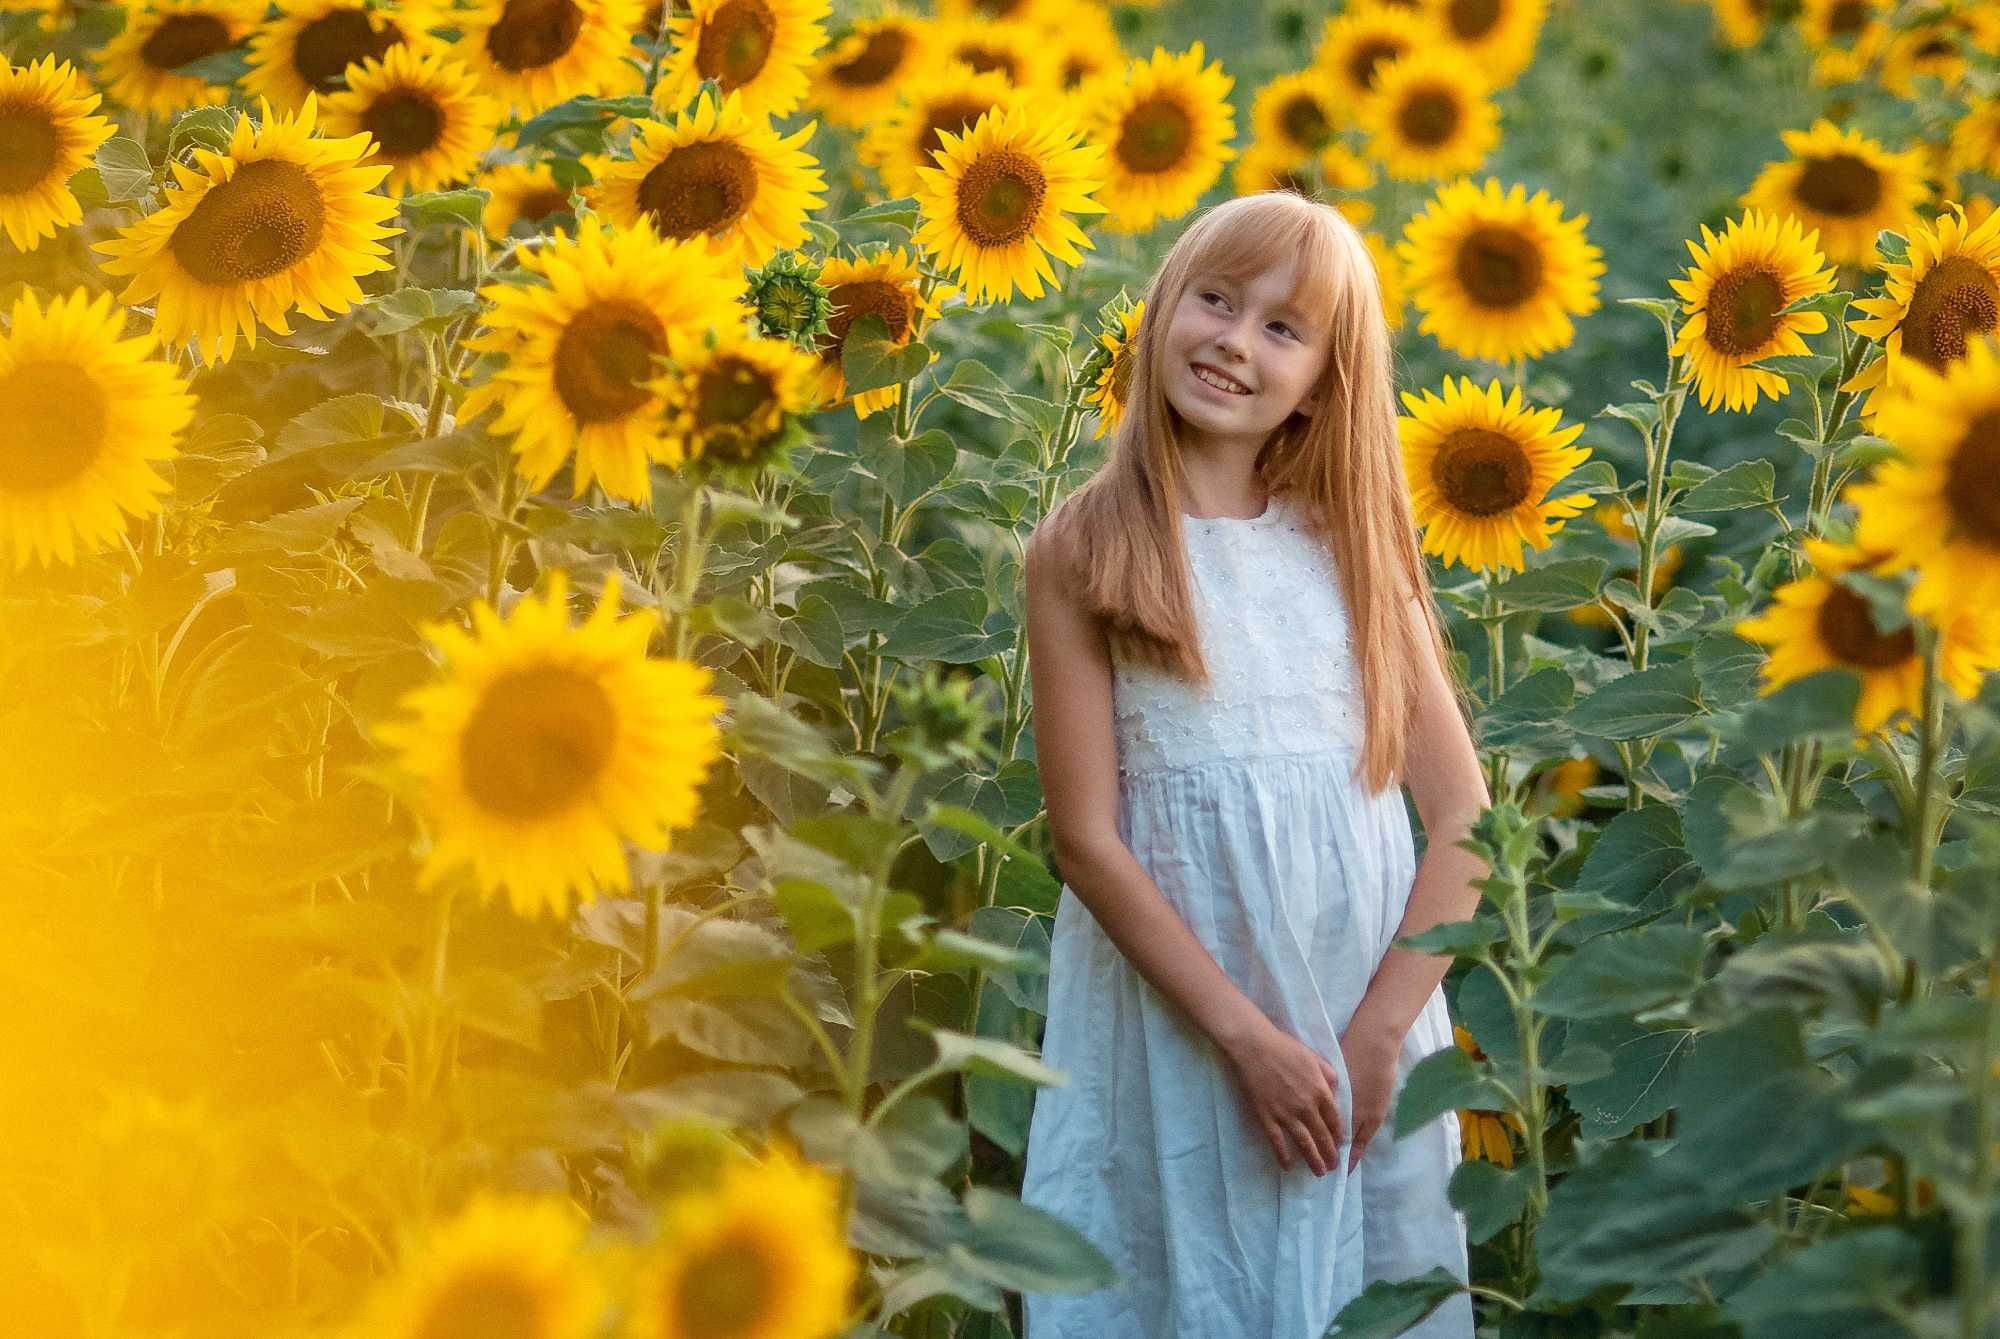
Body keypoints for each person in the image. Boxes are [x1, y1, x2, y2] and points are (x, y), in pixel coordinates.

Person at [1016, 190, 1491, 1339]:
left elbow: (1465, 816)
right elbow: (1084, 839)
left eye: (1283, 328)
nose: (1233, 341)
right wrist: (1244, 1038)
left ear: (1326, 377)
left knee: (1361, 1292)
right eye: (1214, 300)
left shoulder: (1352, 543)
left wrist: (1377, 1033)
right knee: (1191, 1283)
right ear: (1161, 307)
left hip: (1359, 1028)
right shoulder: (1083, 547)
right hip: (1186, 1028)